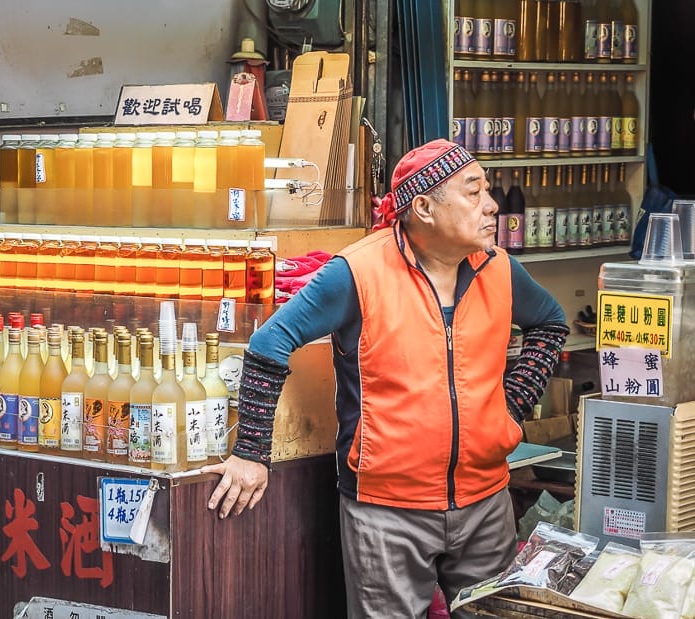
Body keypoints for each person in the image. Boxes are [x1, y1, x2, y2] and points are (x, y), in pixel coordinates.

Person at [202, 139, 569, 618]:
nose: (492, 205)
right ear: (424, 207)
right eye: (473, 192)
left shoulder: (497, 268)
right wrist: (251, 452)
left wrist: (509, 409)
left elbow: (552, 323)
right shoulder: (358, 272)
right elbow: (269, 343)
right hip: (386, 513)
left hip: (486, 504)